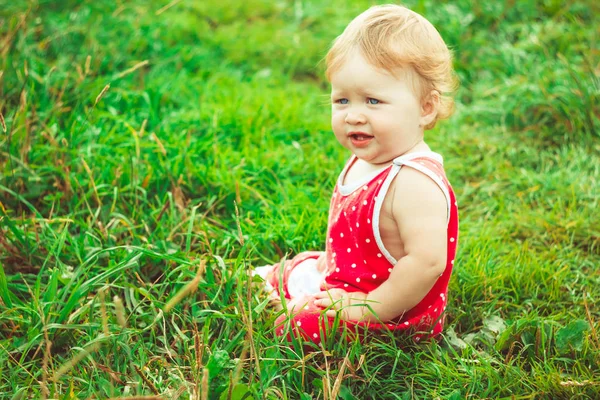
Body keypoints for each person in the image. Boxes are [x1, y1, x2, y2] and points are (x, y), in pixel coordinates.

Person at [254, 4, 459, 345]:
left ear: (426, 108)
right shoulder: (368, 156)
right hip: (352, 280)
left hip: (391, 309)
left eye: (373, 101)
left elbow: (426, 263)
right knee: (306, 263)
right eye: (342, 100)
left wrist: (367, 307)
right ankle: (292, 286)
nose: (353, 115)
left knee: (298, 325)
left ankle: (294, 305)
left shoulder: (413, 182)